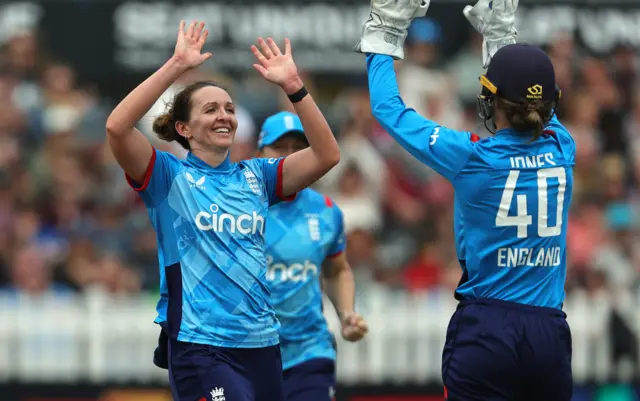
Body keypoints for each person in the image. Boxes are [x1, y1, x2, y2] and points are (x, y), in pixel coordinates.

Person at [105, 20, 340, 401]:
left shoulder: (257, 176)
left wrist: (294, 88)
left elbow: (328, 154)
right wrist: (177, 67)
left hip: (262, 343)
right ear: (184, 128)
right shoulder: (167, 176)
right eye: (210, 109)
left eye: (229, 108)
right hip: (201, 345)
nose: (224, 116)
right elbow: (117, 127)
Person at [355, 0, 574, 400]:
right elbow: (538, 103)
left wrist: (383, 33)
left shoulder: (472, 157)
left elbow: (388, 110)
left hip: (487, 329)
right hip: (548, 334)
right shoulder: (564, 148)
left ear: (490, 101)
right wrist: (501, 40)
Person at [256, 111, 369, 401]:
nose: (291, 156)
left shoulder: (326, 211)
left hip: (308, 351)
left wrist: (346, 315)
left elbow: (337, 271)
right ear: (260, 153)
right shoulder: (238, 204)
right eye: (280, 147)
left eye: (299, 148)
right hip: (246, 354)